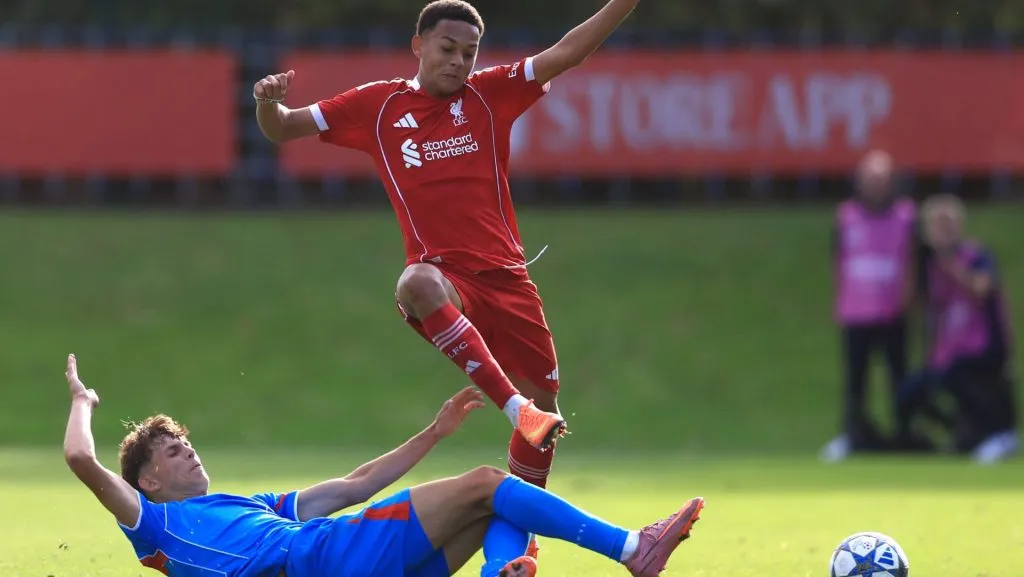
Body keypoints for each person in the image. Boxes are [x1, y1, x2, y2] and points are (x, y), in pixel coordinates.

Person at [253, 2, 644, 542]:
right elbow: (282, 128)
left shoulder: (490, 93)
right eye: (447, 49)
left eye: (468, 52)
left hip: (508, 279)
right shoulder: (378, 105)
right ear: (418, 44)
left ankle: (515, 553)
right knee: (416, 282)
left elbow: (568, 53)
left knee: (546, 425)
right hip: (446, 279)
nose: (458, 62)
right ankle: (513, 409)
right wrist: (268, 104)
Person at [63, 354, 704, 577]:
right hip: (322, 560)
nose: (189, 450)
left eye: (187, 441)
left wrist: (434, 432)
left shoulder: (243, 506)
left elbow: (354, 485)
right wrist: (83, 402)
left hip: (336, 563)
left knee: (487, 510)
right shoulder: (152, 523)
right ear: (147, 480)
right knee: (489, 485)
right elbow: (79, 456)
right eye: (174, 451)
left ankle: (504, 572)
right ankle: (630, 549)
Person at [894, 194, 1018, 463]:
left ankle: (994, 434)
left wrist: (949, 265)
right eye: (936, 225)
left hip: (980, 345)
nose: (942, 231)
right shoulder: (926, 265)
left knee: (961, 379)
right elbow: (911, 305)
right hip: (946, 350)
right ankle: (959, 432)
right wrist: (915, 263)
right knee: (908, 393)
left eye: (947, 224)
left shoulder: (976, 255)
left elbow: (982, 289)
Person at [822, 150, 922, 462]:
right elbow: (837, 260)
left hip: (893, 311)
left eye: (881, 179)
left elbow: (913, 260)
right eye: (870, 179)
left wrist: (909, 298)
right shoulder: (846, 216)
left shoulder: (906, 215)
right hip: (856, 311)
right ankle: (852, 435)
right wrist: (839, 298)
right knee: (856, 380)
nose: (875, 185)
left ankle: (904, 433)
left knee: (899, 378)